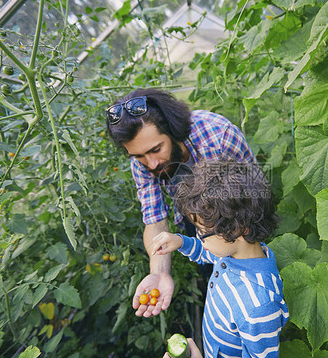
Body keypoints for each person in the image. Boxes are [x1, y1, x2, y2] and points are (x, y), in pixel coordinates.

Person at [105, 89, 256, 318]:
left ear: (173, 131)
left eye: (156, 149)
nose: (152, 163)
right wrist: (159, 272)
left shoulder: (220, 136)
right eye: (139, 156)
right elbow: (154, 220)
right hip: (195, 220)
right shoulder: (143, 161)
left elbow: (255, 199)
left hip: (240, 216)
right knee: (213, 275)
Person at [150, 160, 289, 358]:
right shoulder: (234, 253)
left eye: (202, 232)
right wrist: (180, 241)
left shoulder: (258, 307)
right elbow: (208, 253)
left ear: (240, 230)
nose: (199, 237)